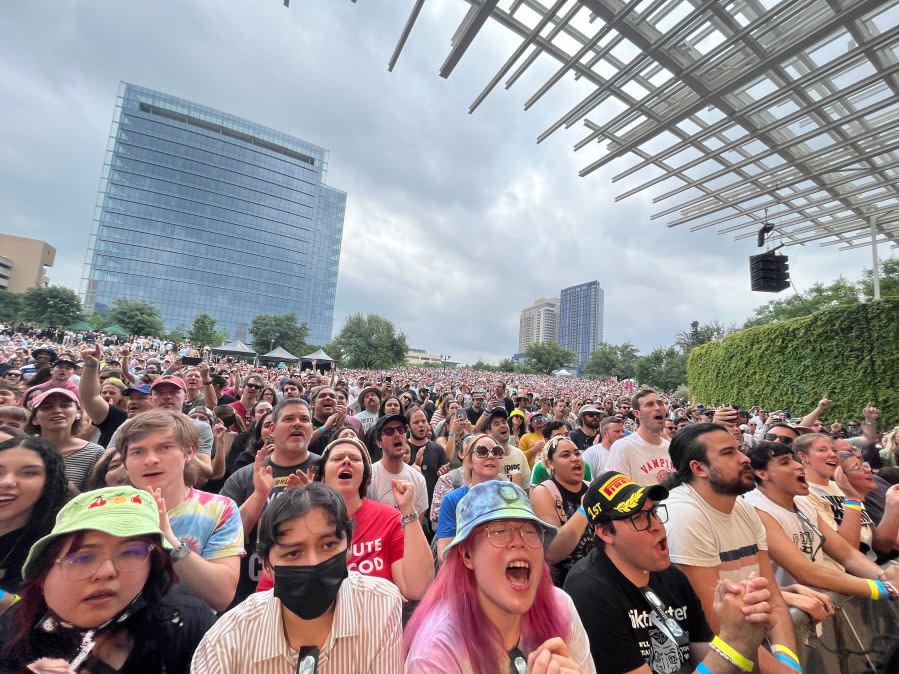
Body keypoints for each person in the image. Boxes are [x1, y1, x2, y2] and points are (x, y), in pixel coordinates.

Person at [563, 470, 776, 674]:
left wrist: (744, 631)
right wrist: (734, 642)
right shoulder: (588, 590)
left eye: (654, 512)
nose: (656, 525)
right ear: (604, 532)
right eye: (637, 518)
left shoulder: (672, 577)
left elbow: (708, 657)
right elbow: (718, 661)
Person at [0, 485, 214, 673]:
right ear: (46, 571)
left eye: (131, 552)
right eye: (83, 557)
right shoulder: (12, 629)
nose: (106, 571)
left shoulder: (188, 624)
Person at [191, 484, 402, 673]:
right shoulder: (225, 643)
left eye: (328, 545)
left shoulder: (379, 605)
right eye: (293, 553)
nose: (313, 563)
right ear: (267, 566)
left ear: (348, 547)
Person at [405, 480, 596, 673]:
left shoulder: (560, 606)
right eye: (499, 530)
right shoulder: (436, 652)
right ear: (467, 555)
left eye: (530, 530)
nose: (519, 542)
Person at [663, 423, 798, 672]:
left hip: (753, 649)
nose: (745, 458)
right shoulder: (684, 514)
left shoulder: (744, 508)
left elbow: (773, 598)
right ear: (698, 468)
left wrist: (788, 660)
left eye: (739, 449)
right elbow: (715, 623)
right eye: (729, 453)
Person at [744, 441, 899, 614]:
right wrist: (883, 588)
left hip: (817, 609)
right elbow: (805, 571)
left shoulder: (802, 502)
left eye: (794, 459)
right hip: (782, 615)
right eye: (785, 462)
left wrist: (883, 577)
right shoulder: (757, 509)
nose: (797, 465)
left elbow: (846, 553)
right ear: (762, 473)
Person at [118, 409, 243, 611]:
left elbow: (221, 596)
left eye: (164, 447)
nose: (151, 460)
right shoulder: (106, 508)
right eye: (137, 451)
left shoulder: (220, 509)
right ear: (125, 461)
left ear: (189, 452)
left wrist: (169, 540)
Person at [219, 397, 322, 604]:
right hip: (249, 591)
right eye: (289, 418)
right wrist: (259, 495)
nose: (297, 423)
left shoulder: (329, 470)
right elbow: (224, 536)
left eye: (304, 419)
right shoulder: (245, 476)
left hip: (314, 586)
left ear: (312, 428)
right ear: (272, 429)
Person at [307, 436, 434, 600]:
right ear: (322, 475)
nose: (346, 461)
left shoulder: (388, 518)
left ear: (365, 476)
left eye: (354, 458)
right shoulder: (303, 522)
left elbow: (418, 588)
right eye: (337, 458)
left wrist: (408, 509)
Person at [0, 434, 67, 598]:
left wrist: (9, 603)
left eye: (28, 473)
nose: (7, 482)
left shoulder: (60, 544)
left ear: (49, 483)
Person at [794, 433, 878, 554]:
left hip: (874, 561)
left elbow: (877, 542)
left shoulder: (841, 486)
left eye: (834, 450)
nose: (833, 454)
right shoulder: (802, 494)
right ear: (804, 457)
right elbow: (846, 550)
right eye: (822, 450)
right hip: (846, 569)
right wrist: (853, 499)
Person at [529, 436, 594, 586]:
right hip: (566, 585)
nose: (575, 459)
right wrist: (584, 510)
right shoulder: (543, 492)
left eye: (577, 454)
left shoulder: (591, 487)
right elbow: (552, 552)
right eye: (566, 455)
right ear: (550, 463)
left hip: (599, 578)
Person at [435, 433, 505, 559]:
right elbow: (445, 557)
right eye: (482, 451)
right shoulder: (453, 500)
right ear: (470, 462)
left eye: (496, 451)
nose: (491, 456)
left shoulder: (512, 497)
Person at [27, 388, 105, 493]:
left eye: (65, 405)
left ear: (78, 413)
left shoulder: (95, 452)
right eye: (47, 407)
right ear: (34, 419)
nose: (57, 410)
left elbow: (95, 498)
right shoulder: (22, 449)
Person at [606, 390, 673, 486]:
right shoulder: (622, 448)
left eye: (660, 403)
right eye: (650, 405)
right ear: (637, 414)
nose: (658, 408)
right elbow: (619, 494)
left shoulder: (670, 447)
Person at [368, 413, 428, 519]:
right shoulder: (368, 477)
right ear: (379, 443)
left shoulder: (418, 479)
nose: (396, 434)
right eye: (389, 431)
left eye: (401, 429)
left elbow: (418, 528)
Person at [406, 406, 447, 505]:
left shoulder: (438, 449)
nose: (421, 425)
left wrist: (442, 475)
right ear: (408, 427)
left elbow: (443, 483)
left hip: (431, 504)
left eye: (424, 421)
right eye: (416, 422)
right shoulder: (403, 450)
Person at [484, 407, 531, 490]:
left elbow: (526, 489)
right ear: (489, 432)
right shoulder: (484, 457)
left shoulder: (519, 454)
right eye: (496, 424)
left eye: (504, 422)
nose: (502, 425)